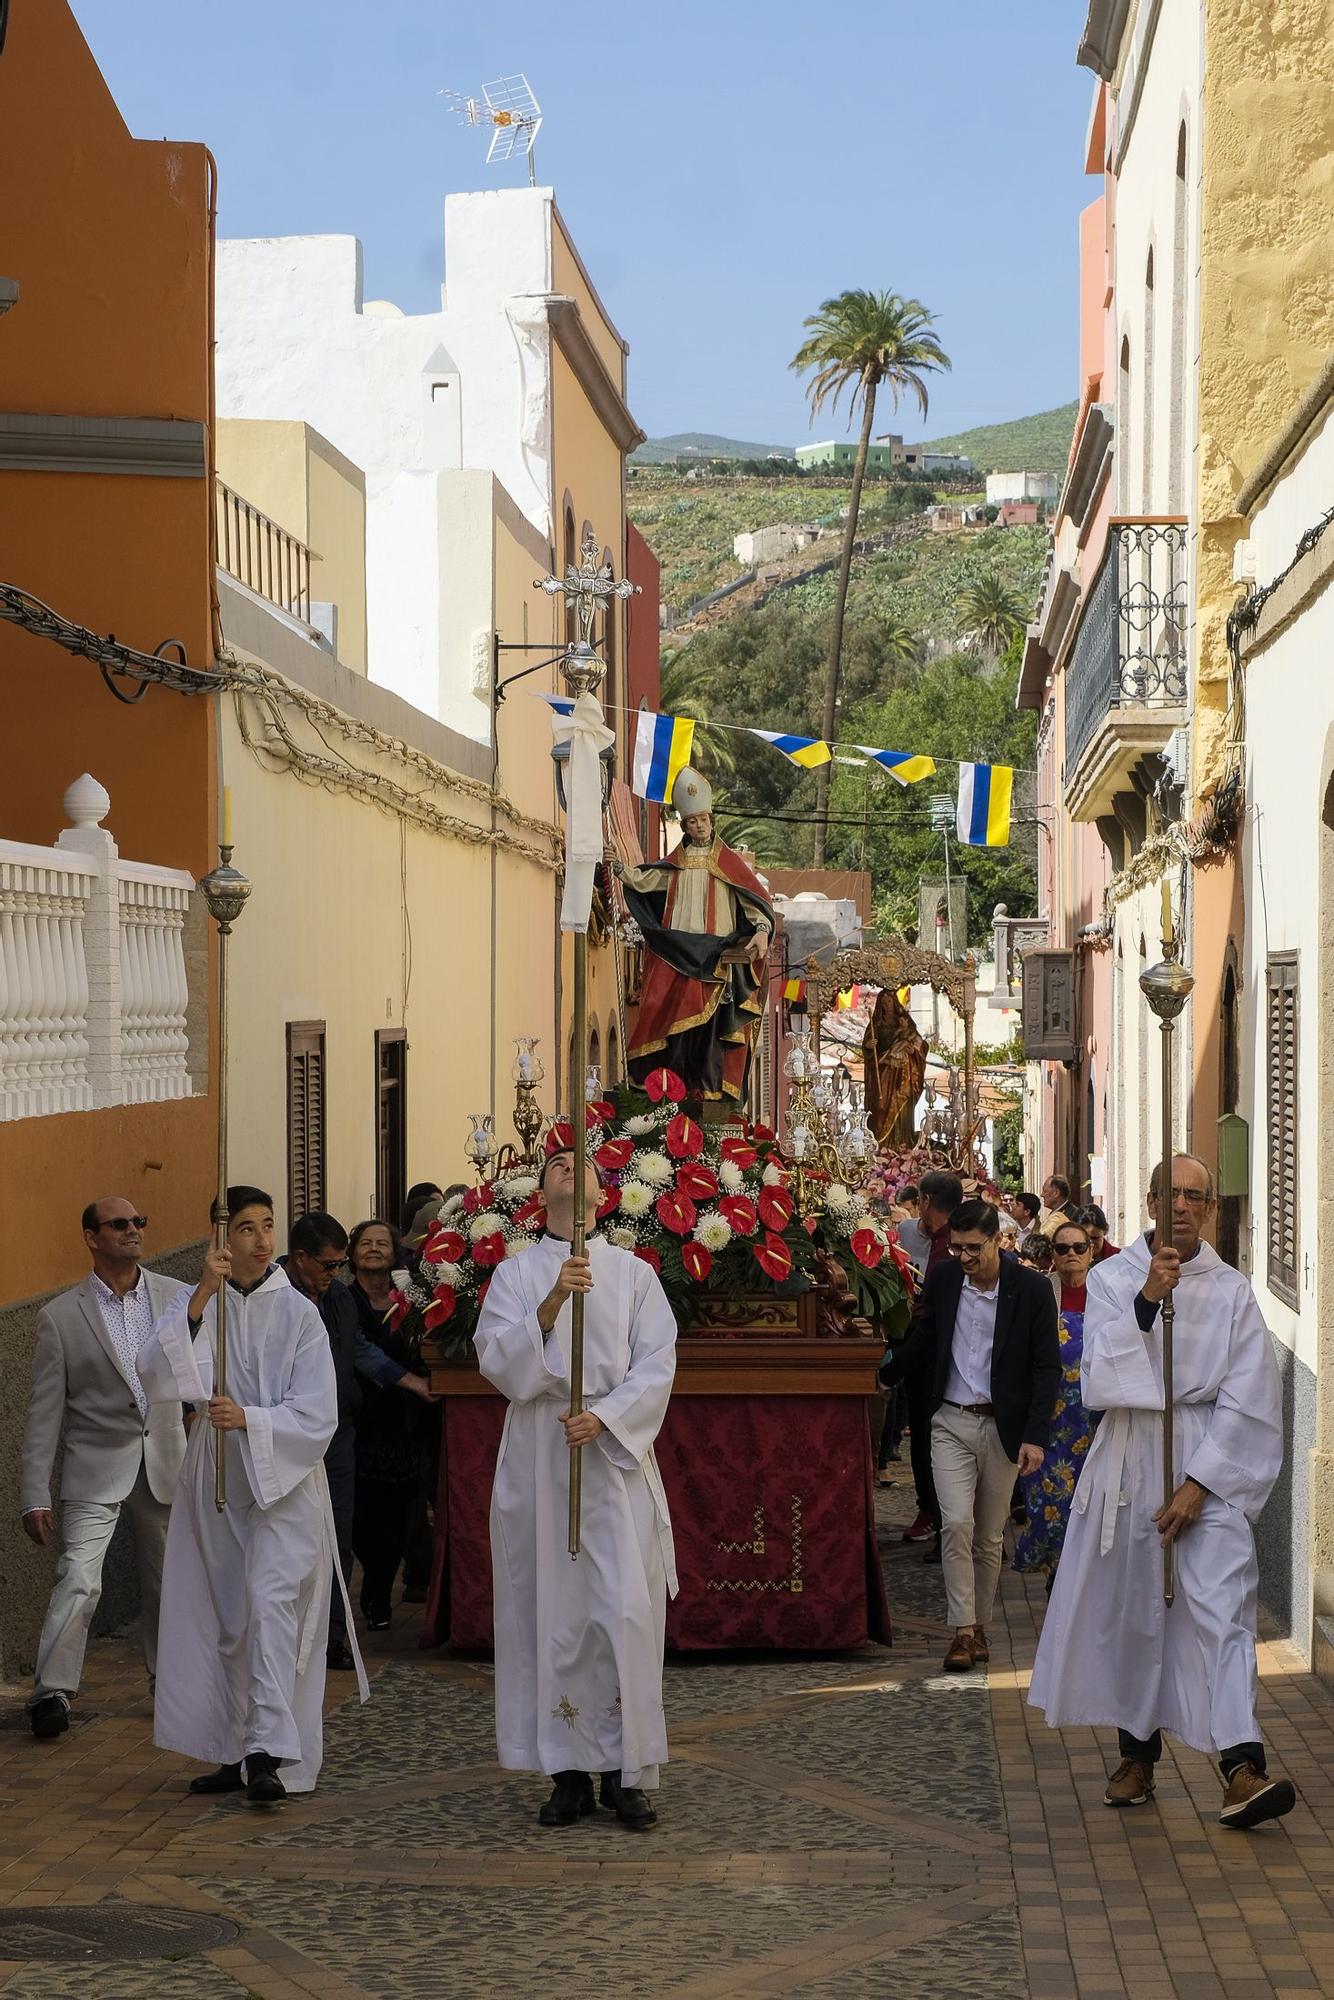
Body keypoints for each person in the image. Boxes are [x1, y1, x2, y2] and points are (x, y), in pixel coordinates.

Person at [1028, 1154, 1296, 1830]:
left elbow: (1251, 1397)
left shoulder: (1232, 1291)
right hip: (1132, 1454)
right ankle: (1137, 1753)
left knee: (1222, 1609)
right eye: (1167, 1192)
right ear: (1147, 1202)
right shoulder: (1116, 1277)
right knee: (1136, 1607)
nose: (1179, 1204)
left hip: (1208, 1458)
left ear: (1209, 1209)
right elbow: (1099, 1377)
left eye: (1193, 1195)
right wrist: (1148, 1299)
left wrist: (1201, 1483)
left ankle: (1241, 1766)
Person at [137, 1185, 364, 1805]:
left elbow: (318, 1412)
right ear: (220, 1239)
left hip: (283, 1482)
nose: (262, 1241)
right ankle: (235, 1747)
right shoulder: (198, 1302)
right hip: (216, 1476)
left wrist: (254, 1422)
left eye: (268, 1226)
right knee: (228, 1615)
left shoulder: (299, 1313)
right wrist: (203, 1297)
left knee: (270, 1605)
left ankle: (271, 1749)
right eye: (246, 1228)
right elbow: (155, 1375)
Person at [474, 1146, 678, 1831]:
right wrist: (555, 1296)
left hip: (611, 1463)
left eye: (584, 1163)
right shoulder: (515, 1273)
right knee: (550, 1616)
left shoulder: (635, 1275)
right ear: (541, 1193)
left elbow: (658, 1364)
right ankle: (565, 1771)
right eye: (558, 1163)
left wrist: (609, 1416)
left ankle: (628, 1772)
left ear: (603, 1192)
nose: (572, 1167)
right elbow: (497, 1361)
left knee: (622, 1611)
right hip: (541, 1455)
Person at [20, 1199, 190, 1740]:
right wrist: (33, 1494)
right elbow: (44, 1413)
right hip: (94, 1466)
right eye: (119, 1224)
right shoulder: (60, 1317)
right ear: (91, 1237)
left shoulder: (176, 1296)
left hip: (166, 1459)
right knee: (78, 1578)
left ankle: (171, 1684)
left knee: (168, 1582)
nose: (133, 1231)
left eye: (140, 1222)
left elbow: (200, 1374)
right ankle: (51, 1692)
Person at [881, 1199, 1060, 1674]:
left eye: (973, 1248)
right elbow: (926, 1337)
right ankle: (961, 1629)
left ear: (998, 1240)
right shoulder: (943, 1278)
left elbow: (1047, 1367)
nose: (963, 1257)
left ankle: (979, 1625)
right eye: (956, 1248)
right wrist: (885, 1369)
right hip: (950, 1421)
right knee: (956, 1524)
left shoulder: (1032, 1289)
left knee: (989, 1535)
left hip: (1003, 1426)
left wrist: (1035, 1436)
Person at [284, 1212, 436, 1663]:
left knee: (337, 1536)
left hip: (338, 1433)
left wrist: (411, 1382)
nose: (336, 1274)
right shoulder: (278, 1298)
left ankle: (332, 1636)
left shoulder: (338, 1300)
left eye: (337, 1266)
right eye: (329, 1266)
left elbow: (359, 1351)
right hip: (288, 1433)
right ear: (300, 1259)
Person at [617, 765, 773, 1106]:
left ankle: (709, 1090)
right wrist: (620, 871)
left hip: (715, 958)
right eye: (691, 821)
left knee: (710, 1030)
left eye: (702, 819)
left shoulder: (729, 863)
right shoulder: (674, 865)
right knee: (667, 1019)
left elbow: (754, 902)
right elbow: (646, 881)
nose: (698, 825)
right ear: (684, 826)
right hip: (676, 952)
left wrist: (761, 931)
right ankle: (670, 1090)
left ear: (711, 819)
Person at [346, 1218, 436, 1625]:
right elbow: (358, 1351)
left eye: (382, 1242)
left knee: (404, 1516)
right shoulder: (343, 1300)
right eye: (366, 1243)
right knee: (367, 1518)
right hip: (363, 1422)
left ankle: (384, 1592)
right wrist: (412, 1382)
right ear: (352, 1253)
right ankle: (374, 1592)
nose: (374, 1249)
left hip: (408, 1425)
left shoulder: (411, 1300)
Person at [1013, 1220, 1099, 1588]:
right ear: (1053, 1255)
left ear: (1091, 1252)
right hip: (1050, 1424)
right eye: (1062, 1249)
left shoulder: (1107, 1295)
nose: (1071, 1255)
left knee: (1091, 1506)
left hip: (1096, 1423)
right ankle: (1057, 1580)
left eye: (1079, 1247)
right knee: (1052, 1507)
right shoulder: (1040, 1294)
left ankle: (1085, 1584)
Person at [898, 1171, 963, 1555]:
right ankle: (939, 1520)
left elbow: (929, 1314)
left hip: (936, 1357)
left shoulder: (949, 1247)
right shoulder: (923, 1236)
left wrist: (894, 1365)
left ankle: (944, 1526)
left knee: (931, 1439)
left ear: (925, 1201)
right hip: (937, 1355)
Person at [862, 988, 927, 1147]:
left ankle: (901, 1142)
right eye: (883, 1002)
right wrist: (869, 1047)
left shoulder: (905, 1022)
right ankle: (880, 1144)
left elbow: (920, 1044)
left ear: (894, 1002)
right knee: (880, 1106)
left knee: (902, 1106)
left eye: (889, 1001)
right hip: (883, 1072)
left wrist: (914, 1051)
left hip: (903, 1074)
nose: (886, 1004)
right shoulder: (875, 1024)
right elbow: (867, 1048)